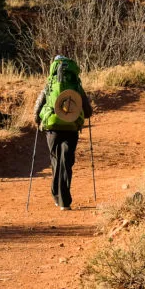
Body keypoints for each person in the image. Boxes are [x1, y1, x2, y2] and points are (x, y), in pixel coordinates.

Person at [33, 56, 93, 211]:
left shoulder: (50, 85)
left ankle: (55, 195)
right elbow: (88, 112)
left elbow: (38, 106)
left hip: (52, 128)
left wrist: (37, 120)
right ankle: (64, 201)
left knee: (55, 160)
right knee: (66, 162)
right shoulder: (76, 86)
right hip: (71, 127)